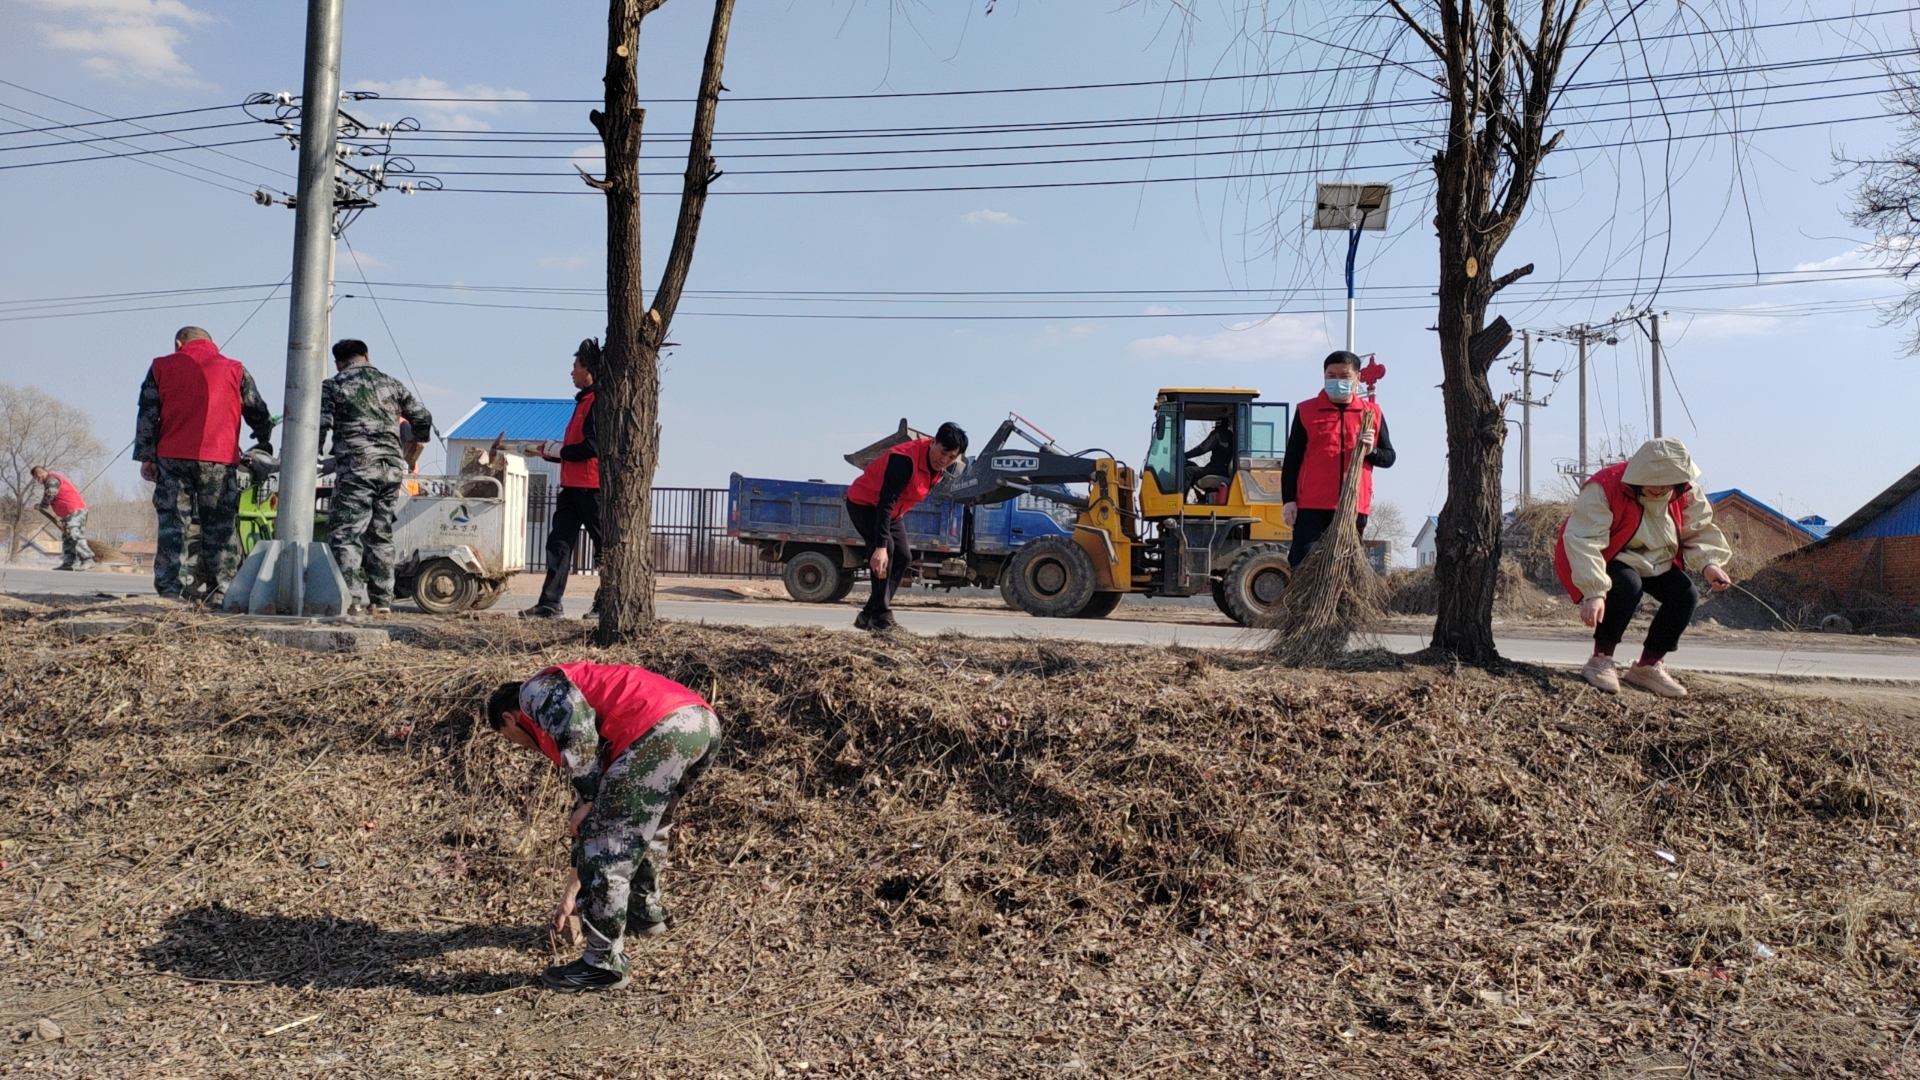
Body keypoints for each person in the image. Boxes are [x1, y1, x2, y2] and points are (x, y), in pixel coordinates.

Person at [486, 662, 721, 992]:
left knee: (608, 843)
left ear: (508, 719)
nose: (517, 744)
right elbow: (584, 815)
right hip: (701, 724)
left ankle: (602, 965)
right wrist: (572, 892)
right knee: (649, 829)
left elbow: (579, 735)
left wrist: (592, 801)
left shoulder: (533, 693)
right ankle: (644, 916)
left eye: (508, 737)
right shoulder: (586, 702)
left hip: (657, 727)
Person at [1554, 437, 1733, 698]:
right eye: (1652, 484)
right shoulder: (1605, 486)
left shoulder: (1686, 490)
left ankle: (1648, 666)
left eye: (1665, 485)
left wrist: (1710, 564)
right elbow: (1584, 540)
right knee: (1627, 586)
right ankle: (1600, 660)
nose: (1659, 490)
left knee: (1685, 594)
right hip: (1612, 555)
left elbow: (1699, 529)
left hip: (1658, 558)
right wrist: (1593, 592)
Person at [133, 326, 274, 603]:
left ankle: (170, 589)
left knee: (174, 524)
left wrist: (147, 457)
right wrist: (263, 435)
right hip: (219, 460)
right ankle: (221, 590)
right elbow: (257, 410)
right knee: (220, 527)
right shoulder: (235, 368)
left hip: (172, 459)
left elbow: (147, 415)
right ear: (213, 343)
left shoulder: (160, 367)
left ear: (178, 343)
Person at [319, 339, 432, 615]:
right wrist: (417, 442)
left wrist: (313, 457)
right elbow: (423, 417)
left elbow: (320, 425)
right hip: (391, 469)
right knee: (380, 535)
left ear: (338, 362)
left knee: (346, 534)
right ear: (366, 356)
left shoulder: (333, 386)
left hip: (357, 468)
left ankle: (353, 600)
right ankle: (382, 601)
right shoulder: (391, 383)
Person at [843, 422, 968, 633]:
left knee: (904, 557)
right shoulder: (904, 460)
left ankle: (869, 614)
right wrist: (880, 547)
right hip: (865, 504)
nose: (944, 461)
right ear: (933, 442)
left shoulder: (940, 467)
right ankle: (880, 618)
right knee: (887, 552)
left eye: (951, 457)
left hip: (891, 513)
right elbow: (885, 501)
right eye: (943, 452)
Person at [1280, 350, 1396, 567]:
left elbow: (1389, 457)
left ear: (1357, 378)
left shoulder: (1372, 413)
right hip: (1312, 504)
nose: (1336, 381)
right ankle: (1304, 602)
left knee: (1346, 567)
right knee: (1305, 564)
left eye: (1344, 376)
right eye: (1331, 375)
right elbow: (1292, 459)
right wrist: (1288, 500)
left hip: (1353, 504)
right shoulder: (1307, 410)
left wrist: (1372, 450)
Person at [523, 340, 602, 620]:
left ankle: (605, 605)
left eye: (575, 366)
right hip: (571, 487)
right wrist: (552, 453)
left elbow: (592, 448)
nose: (571, 372)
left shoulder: (598, 403)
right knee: (559, 544)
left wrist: (561, 451)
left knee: (604, 547)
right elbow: (577, 449)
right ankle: (549, 603)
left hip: (592, 489)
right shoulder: (583, 403)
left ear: (589, 370)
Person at [31, 465, 93, 571]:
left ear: (39, 476)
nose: (38, 481)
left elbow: (50, 494)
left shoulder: (52, 480)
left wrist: (41, 506)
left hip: (75, 510)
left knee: (74, 535)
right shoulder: (52, 479)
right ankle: (69, 562)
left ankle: (87, 560)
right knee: (67, 537)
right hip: (69, 513)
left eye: (37, 479)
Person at [1184, 416, 1235, 498]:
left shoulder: (1217, 434)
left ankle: (1181, 500)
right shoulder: (1232, 436)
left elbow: (1202, 449)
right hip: (1224, 470)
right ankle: (1202, 498)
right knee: (1194, 469)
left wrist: (1185, 455)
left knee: (1188, 471)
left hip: (1215, 469)